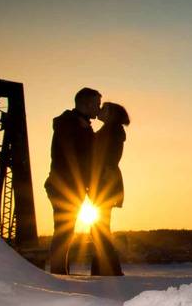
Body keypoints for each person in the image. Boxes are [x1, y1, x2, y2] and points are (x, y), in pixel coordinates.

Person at [44, 87, 100, 275]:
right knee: (64, 231)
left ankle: (60, 271)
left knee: (65, 230)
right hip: (65, 185)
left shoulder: (77, 123)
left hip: (68, 184)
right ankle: (59, 272)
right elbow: (72, 156)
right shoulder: (70, 124)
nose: (98, 109)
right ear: (87, 103)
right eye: (97, 104)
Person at [90, 102, 129, 276]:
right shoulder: (112, 130)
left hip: (105, 181)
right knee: (99, 228)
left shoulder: (111, 131)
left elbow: (105, 158)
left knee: (99, 228)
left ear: (112, 114)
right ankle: (102, 269)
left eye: (104, 108)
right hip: (105, 180)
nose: (100, 110)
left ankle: (109, 269)